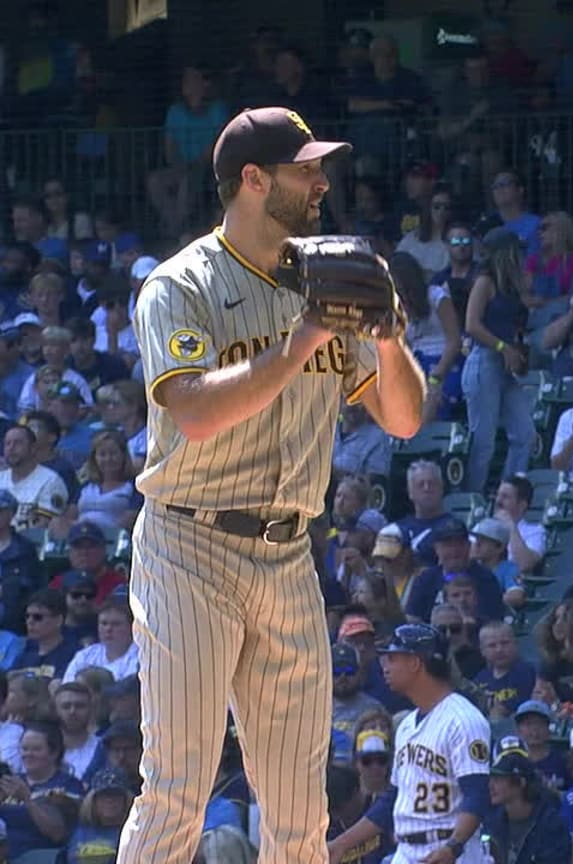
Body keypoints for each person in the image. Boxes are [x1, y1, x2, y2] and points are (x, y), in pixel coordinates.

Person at [120, 108, 424, 864]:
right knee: (178, 791)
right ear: (254, 180)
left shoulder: (327, 273)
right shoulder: (180, 284)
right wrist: (305, 340)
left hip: (289, 554)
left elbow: (404, 419)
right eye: (305, 168)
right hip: (190, 543)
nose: (322, 181)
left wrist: (387, 337)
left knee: (298, 810)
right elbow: (191, 413)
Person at [327, 624, 493, 863]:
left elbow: (477, 795)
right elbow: (392, 799)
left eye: (392, 658)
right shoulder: (406, 726)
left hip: (451, 849)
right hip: (407, 850)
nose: (384, 666)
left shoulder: (463, 720)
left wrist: (453, 847)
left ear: (415, 662)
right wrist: (342, 843)